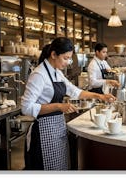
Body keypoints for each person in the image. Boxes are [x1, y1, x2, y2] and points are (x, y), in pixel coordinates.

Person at [21, 37, 116, 170]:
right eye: (65, 58)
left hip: (58, 127)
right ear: (53, 54)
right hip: (44, 132)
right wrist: (59, 106)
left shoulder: (56, 72)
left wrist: (100, 96)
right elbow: (26, 107)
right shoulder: (39, 75)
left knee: (61, 168)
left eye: (69, 59)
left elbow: (75, 91)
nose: (68, 62)